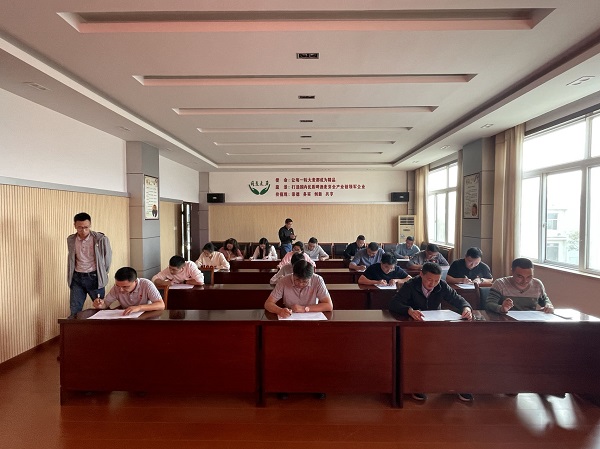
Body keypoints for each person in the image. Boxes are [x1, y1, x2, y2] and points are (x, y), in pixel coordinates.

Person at [389, 262, 474, 402]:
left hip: (435, 326)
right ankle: (418, 385)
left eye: (436, 280)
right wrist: (409, 310)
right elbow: (394, 304)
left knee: (457, 348)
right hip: (414, 328)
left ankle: (458, 384)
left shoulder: (442, 286)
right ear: (421, 274)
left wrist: (466, 308)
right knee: (420, 352)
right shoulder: (411, 285)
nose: (432, 284)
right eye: (429, 280)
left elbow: (458, 299)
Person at [67, 212, 112, 318]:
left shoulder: (100, 239)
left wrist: (102, 273)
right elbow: (72, 258)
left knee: (101, 309)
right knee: (74, 311)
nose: (83, 230)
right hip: (77, 277)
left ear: (90, 225)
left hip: (95, 277)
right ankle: (75, 329)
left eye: (86, 227)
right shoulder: (71, 239)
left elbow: (107, 258)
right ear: (75, 225)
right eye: (80, 227)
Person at [265, 259, 333, 317]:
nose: (300, 284)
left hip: (311, 316)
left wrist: (304, 309)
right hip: (290, 316)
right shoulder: (284, 281)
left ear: (311, 277)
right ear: (293, 274)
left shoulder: (317, 280)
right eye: (297, 280)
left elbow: (329, 306)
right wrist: (279, 311)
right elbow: (268, 303)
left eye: (305, 282)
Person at [486, 257, 554, 314]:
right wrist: (502, 308)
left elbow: (545, 300)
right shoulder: (500, 284)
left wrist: (548, 306)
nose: (525, 281)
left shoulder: (537, 284)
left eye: (529, 277)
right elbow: (489, 304)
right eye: (520, 277)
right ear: (512, 272)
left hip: (529, 321)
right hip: (506, 320)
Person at [93, 267, 165, 315]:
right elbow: (106, 304)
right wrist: (100, 305)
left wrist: (139, 308)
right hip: (127, 316)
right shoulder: (116, 287)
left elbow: (161, 305)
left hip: (146, 316)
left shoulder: (146, 284)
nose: (121, 289)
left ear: (135, 281)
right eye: (118, 286)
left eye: (125, 287)